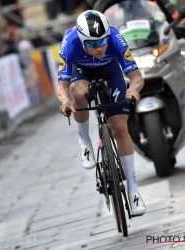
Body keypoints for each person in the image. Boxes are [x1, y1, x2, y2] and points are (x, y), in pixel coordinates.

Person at [57, 10, 146, 216]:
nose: (100, 47)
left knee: (120, 129)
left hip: (110, 69)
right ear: (81, 40)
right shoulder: (69, 42)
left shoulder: (115, 38)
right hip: (81, 71)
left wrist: (132, 89)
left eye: (103, 41)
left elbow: (136, 77)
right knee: (78, 92)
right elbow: (61, 85)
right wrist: (65, 102)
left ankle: (133, 192)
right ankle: (84, 141)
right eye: (93, 44)